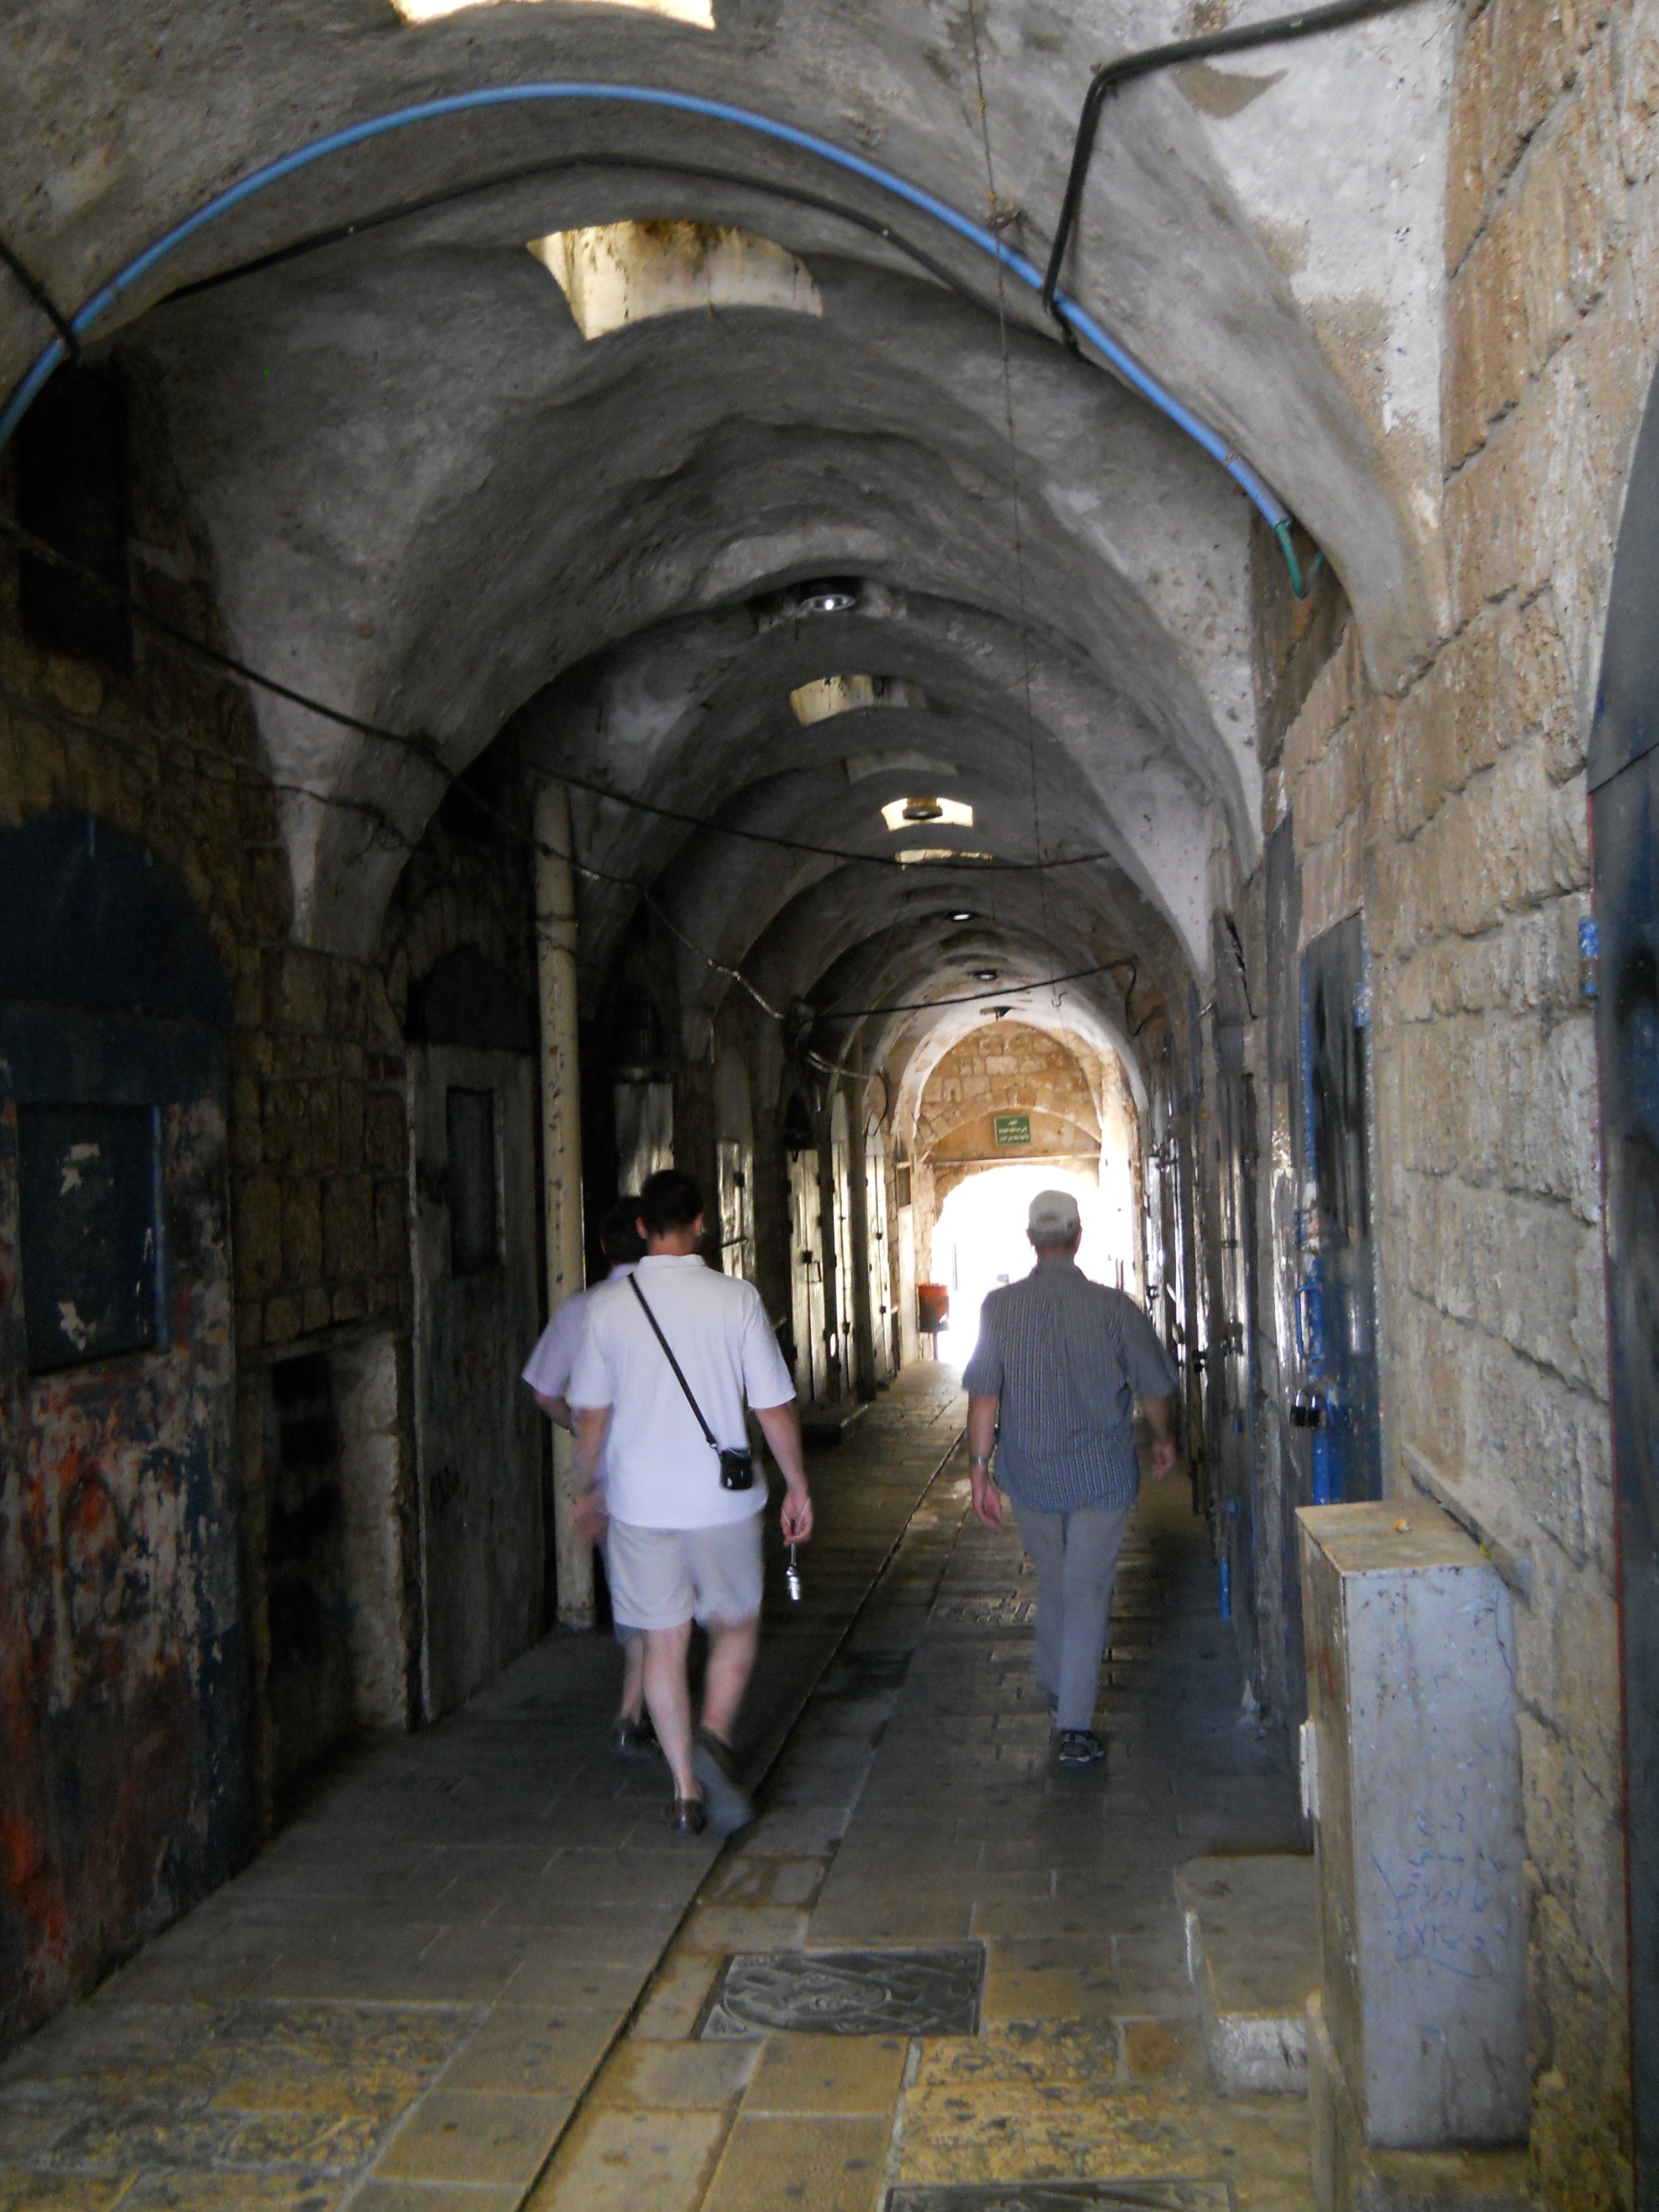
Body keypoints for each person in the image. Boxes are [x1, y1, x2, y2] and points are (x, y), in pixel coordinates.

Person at [568, 1167, 813, 1836]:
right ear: (702, 1224)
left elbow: (593, 1416)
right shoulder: (736, 1299)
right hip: (722, 1505)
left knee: (663, 1641)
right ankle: (713, 1733)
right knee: (736, 1624)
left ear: (642, 1227)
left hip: (640, 1506)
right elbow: (773, 1407)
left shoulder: (607, 1309)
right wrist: (797, 1483)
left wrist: (588, 1489)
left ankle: (684, 1789)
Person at [962, 1188, 1180, 1770]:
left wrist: (979, 1471)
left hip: (1031, 1474)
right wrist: (1164, 1437)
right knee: (1087, 1589)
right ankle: (1074, 1727)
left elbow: (984, 1396)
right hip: (1102, 1475)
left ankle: (1059, 1684)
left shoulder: (999, 1308)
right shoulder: (1115, 1309)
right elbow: (1154, 1386)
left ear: (1031, 1241)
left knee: (1057, 1581)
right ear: (1078, 1238)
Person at [523, 1196, 655, 1754]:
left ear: (602, 1246)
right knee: (667, 1600)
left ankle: (639, 1704)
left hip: (608, 1480)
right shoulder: (679, 1306)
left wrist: (579, 1426)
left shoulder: (581, 1310)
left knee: (637, 1594)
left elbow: (543, 1390)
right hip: (671, 1475)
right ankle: (639, 1707)